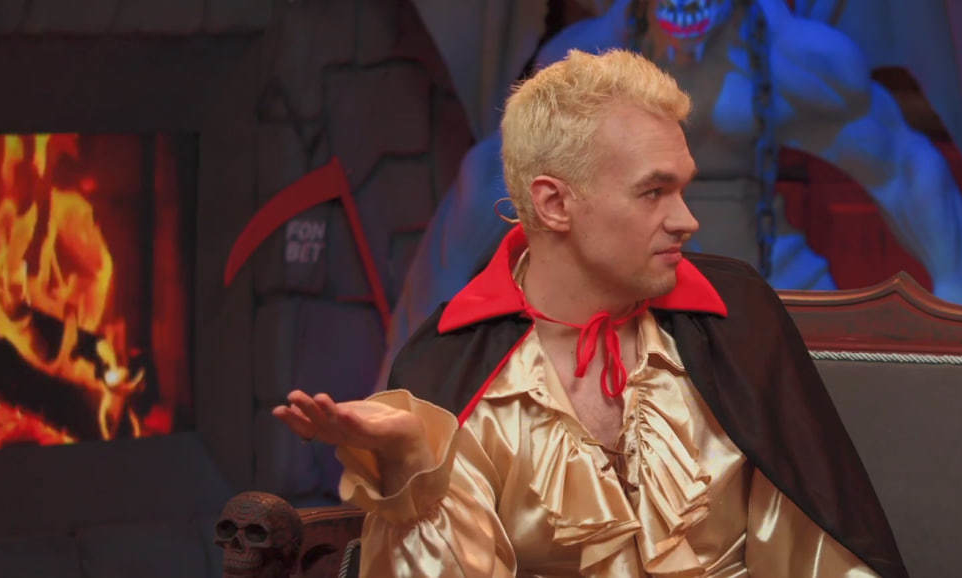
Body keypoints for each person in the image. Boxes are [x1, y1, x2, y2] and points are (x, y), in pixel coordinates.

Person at [274, 49, 906, 577]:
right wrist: (416, 469)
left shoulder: (735, 318)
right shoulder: (449, 367)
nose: (686, 220)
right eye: (654, 192)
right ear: (554, 204)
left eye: (683, 188)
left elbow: (813, 549)